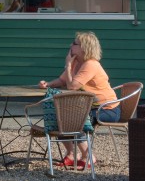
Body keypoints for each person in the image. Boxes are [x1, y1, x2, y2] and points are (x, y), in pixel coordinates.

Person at [38, 31, 118, 170]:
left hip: (106, 109)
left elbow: (72, 86)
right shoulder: (76, 61)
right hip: (88, 107)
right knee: (59, 116)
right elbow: (63, 80)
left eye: (75, 43)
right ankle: (71, 155)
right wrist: (48, 84)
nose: (71, 45)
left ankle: (89, 156)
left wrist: (68, 66)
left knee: (73, 120)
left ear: (84, 47)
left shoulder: (91, 64)